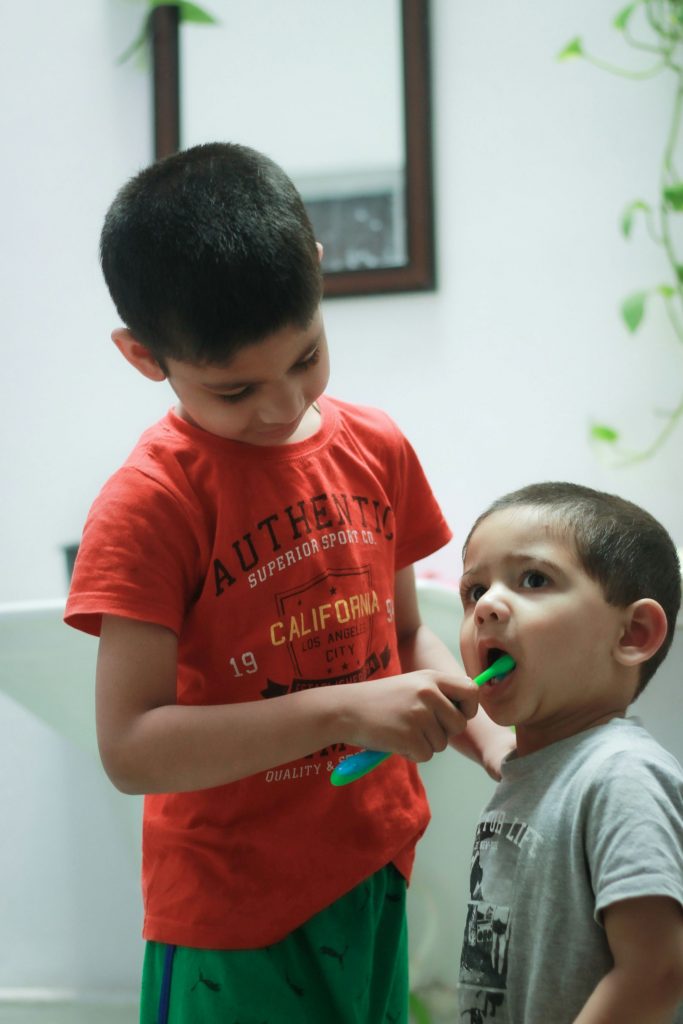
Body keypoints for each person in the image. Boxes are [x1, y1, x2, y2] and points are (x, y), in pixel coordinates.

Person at [65, 141, 513, 1024]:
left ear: (316, 273)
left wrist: (496, 742)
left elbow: (403, 635)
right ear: (140, 355)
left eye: (305, 358)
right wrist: (349, 710)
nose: (279, 406)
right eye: (233, 390)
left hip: (372, 863)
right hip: (232, 912)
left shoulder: (374, 446)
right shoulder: (151, 502)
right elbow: (130, 746)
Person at [456, 481, 683, 1024]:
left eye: (534, 579)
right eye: (473, 590)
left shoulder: (620, 774)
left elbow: (657, 971)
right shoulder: (538, 771)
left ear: (633, 633)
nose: (487, 604)